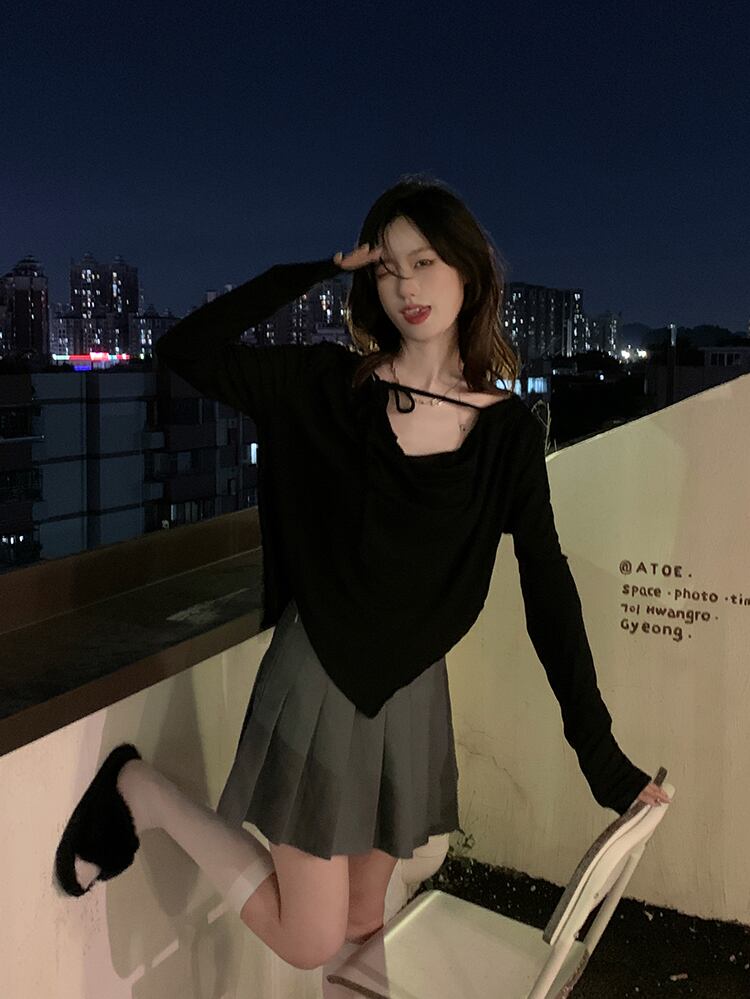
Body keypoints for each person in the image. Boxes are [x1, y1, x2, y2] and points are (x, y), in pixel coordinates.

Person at [53, 174, 671, 973]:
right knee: (312, 937)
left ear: (469, 270)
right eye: (387, 268)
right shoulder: (326, 387)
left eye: (425, 262)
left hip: (412, 693)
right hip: (321, 673)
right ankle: (144, 792)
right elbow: (187, 351)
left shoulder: (507, 432)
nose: (407, 285)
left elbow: (546, 586)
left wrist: (600, 755)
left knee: (362, 919)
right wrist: (315, 270)